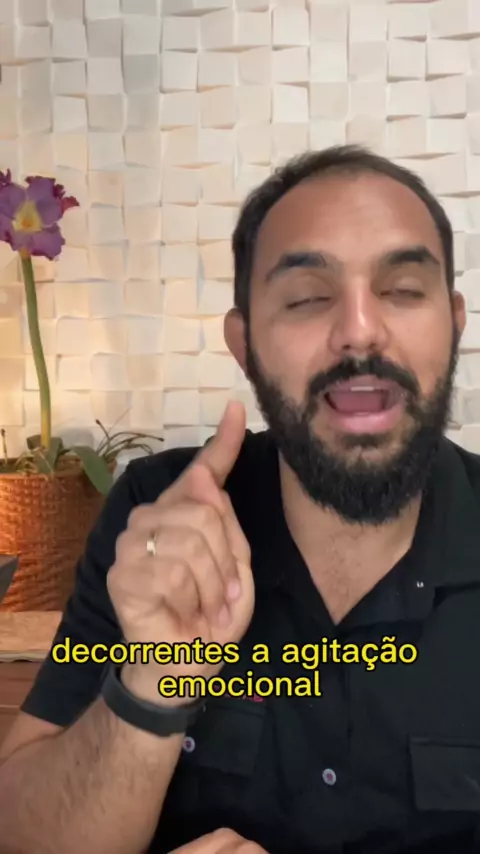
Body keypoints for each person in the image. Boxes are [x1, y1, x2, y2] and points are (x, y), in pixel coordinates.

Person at [0, 143, 479, 854]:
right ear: (245, 343)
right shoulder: (154, 513)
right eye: (308, 297)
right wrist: (153, 685)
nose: (359, 329)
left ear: (455, 323)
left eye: (404, 289)